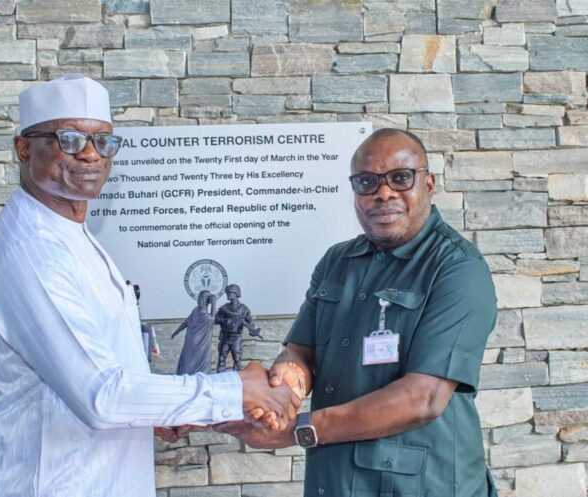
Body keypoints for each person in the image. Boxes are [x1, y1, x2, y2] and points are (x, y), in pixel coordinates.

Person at [0, 74, 299, 497]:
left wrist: (158, 411)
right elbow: (102, 394)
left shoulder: (69, 233)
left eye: (103, 141)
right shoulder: (31, 251)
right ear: (24, 148)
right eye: (69, 139)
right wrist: (235, 390)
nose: (90, 155)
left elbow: (106, 369)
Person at [217, 128, 499, 497]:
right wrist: (280, 393)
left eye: (400, 178)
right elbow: (302, 352)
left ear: (428, 183)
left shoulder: (457, 269)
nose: (383, 193)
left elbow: (423, 398)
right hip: (333, 481)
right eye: (367, 182)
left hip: (421, 486)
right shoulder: (337, 260)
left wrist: (294, 428)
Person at [215, 284, 262, 372]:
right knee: (221, 357)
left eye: (230, 293)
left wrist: (253, 330)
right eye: (227, 293)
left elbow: (250, 322)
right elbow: (215, 319)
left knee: (237, 359)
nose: (228, 295)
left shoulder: (244, 309)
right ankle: (220, 376)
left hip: (236, 337)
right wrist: (224, 320)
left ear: (236, 294)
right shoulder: (224, 308)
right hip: (225, 336)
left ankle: (237, 377)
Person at [171, 290, 216, 374]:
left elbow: (186, 322)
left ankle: (188, 373)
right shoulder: (202, 313)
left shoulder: (197, 311)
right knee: (195, 358)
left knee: (190, 358)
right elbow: (212, 319)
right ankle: (192, 374)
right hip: (198, 341)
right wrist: (213, 304)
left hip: (193, 339)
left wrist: (177, 331)